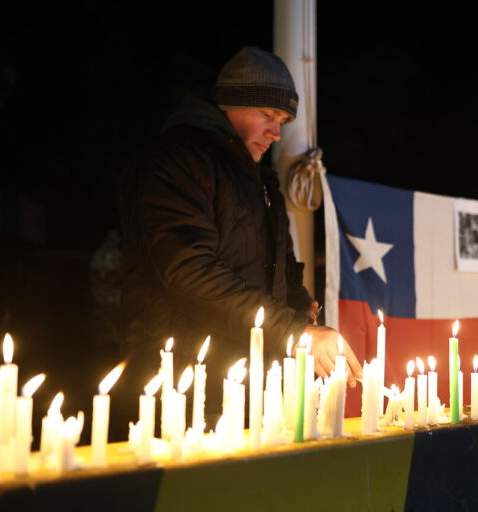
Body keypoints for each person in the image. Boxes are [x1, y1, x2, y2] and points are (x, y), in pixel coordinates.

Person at [117, 46, 361, 431]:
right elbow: (187, 268)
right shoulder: (179, 159)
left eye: (281, 119)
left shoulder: (260, 177)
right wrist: (296, 333)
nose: (275, 132)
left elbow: (280, 262)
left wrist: (299, 304)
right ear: (230, 104)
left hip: (252, 383)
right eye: (266, 114)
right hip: (186, 381)